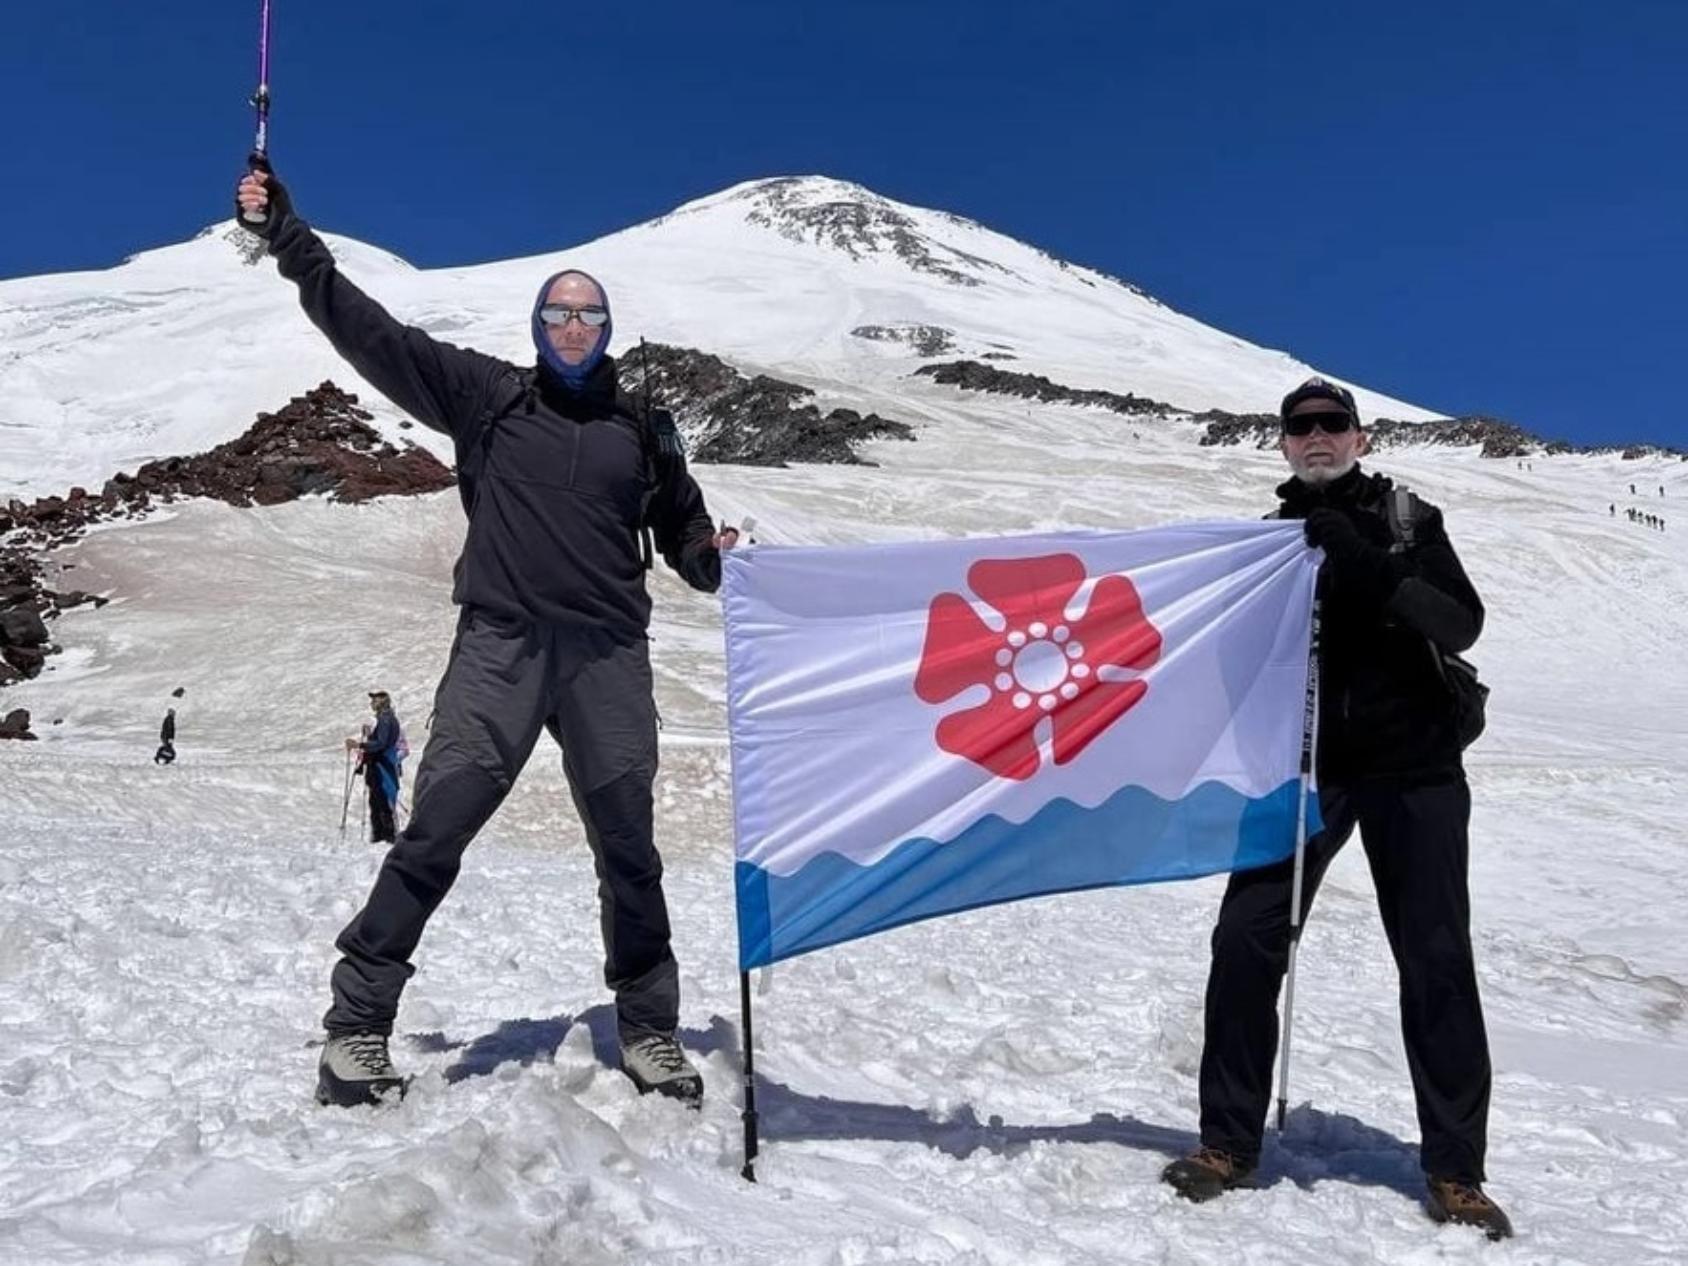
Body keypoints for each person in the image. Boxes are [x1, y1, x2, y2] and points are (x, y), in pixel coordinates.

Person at [236, 163, 739, 1110]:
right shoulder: (487, 398)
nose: (574, 328)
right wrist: (289, 242)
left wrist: (716, 558)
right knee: (435, 832)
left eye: (589, 314)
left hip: (607, 659)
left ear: (610, 330)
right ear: (537, 328)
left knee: (629, 849)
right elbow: (371, 333)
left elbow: (685, 536)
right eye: (558, 315)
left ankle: (650, 1029)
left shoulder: (644, 426)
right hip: (501, 647)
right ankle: (356, 1028)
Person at [1161, 377, 1511, 1240]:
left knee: (1434, 959)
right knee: (1244, 942)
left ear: (1359, 438)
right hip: (1306, 773)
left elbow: (1459, 624)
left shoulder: (1405, 519)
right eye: (1300, 426)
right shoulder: (1269, 542)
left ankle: (1456, 1172)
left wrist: (1363, 556)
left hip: (1416, 771)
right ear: (1282, 444)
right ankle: (1227, 1145)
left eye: (1332, 425)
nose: (1316, 436)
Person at [348, 691, 402, 845]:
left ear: (382, 702)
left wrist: (360, 745)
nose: (372, 703)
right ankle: (383, 835)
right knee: (379, 799)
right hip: (384, 763)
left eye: (375, 700)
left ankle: (384, 835)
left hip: (380, 764)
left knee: (379, 799)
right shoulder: (389, 718)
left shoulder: (385, 719)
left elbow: (381, 743)